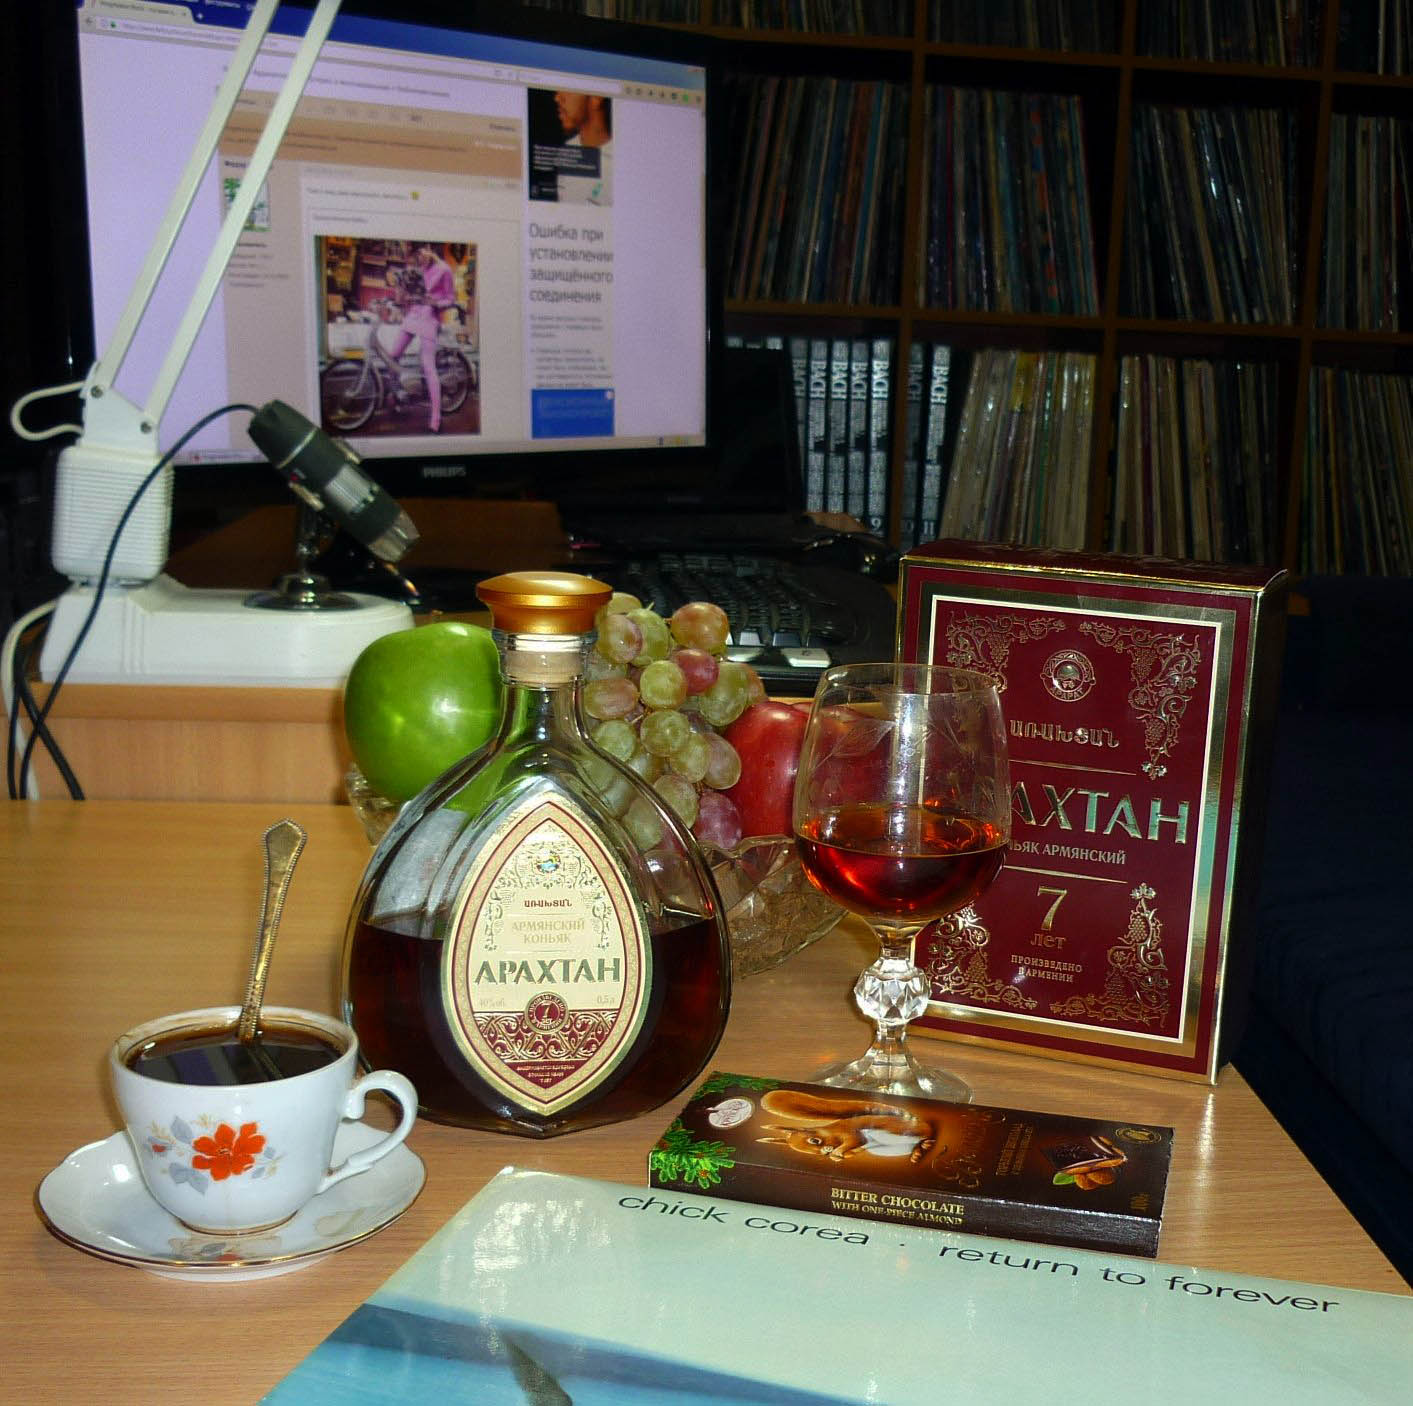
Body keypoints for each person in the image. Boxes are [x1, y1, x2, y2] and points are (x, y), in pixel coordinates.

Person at [388, 244, 456, 432]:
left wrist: (436, 303)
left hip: (429, 318)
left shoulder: (444, 269)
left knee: (428, 365)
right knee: (392, 356)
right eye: (416, 256)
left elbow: (451, 299)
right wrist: (403, 294)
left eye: (420, 253)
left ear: (429, 248)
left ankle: (436, 417)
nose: (419, 258)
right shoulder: (419, 269)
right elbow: (411, 295)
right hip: (413, 315)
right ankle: (397, 395)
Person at [553, 91, 612, 205]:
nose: (557, 98)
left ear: (597, 97)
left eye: (566, 89)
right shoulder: (566, 152)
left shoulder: (622, 165)